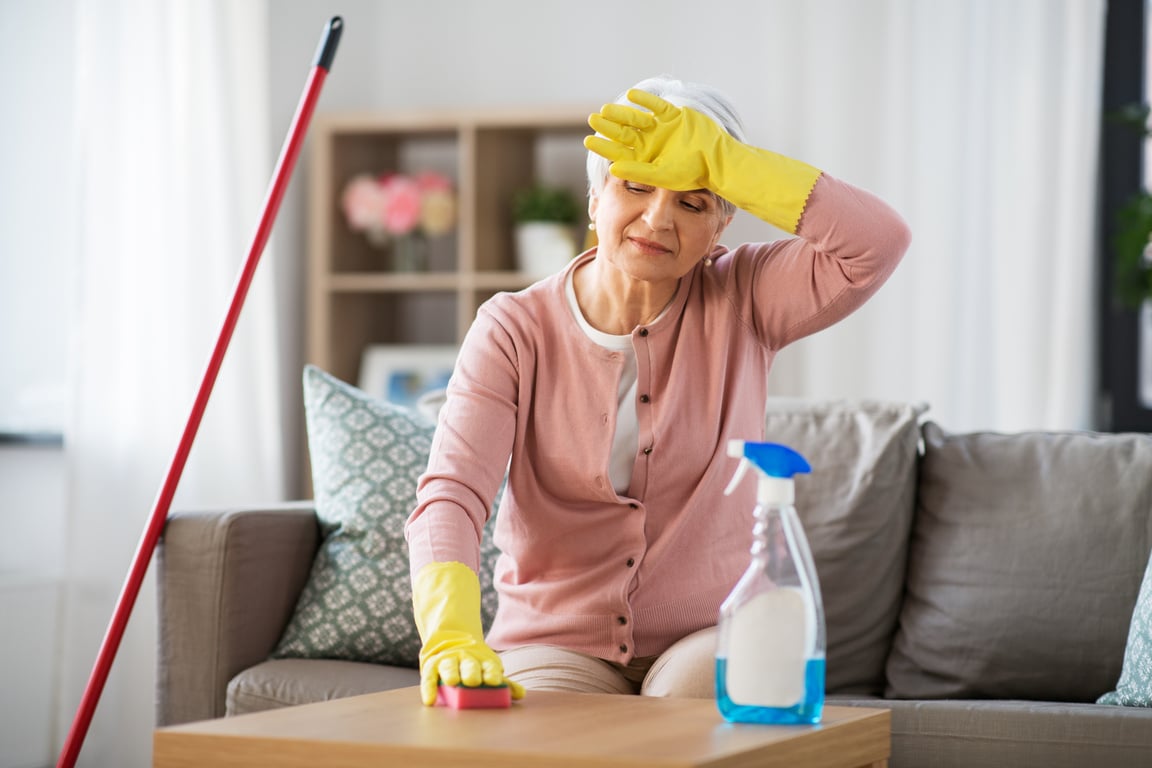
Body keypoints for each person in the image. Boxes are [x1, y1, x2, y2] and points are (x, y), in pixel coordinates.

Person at [404, 75, 910, 706]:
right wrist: (449, 634)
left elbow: (878, 243)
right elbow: (452, 493)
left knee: (684, 730)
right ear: (595, 200)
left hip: (705, 634)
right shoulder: (513, 329)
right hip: (552, 640)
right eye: (635, 186)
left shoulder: (745, 295)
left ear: (721, 224)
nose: (656, 217)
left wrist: (731, 163)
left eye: (693, 202)